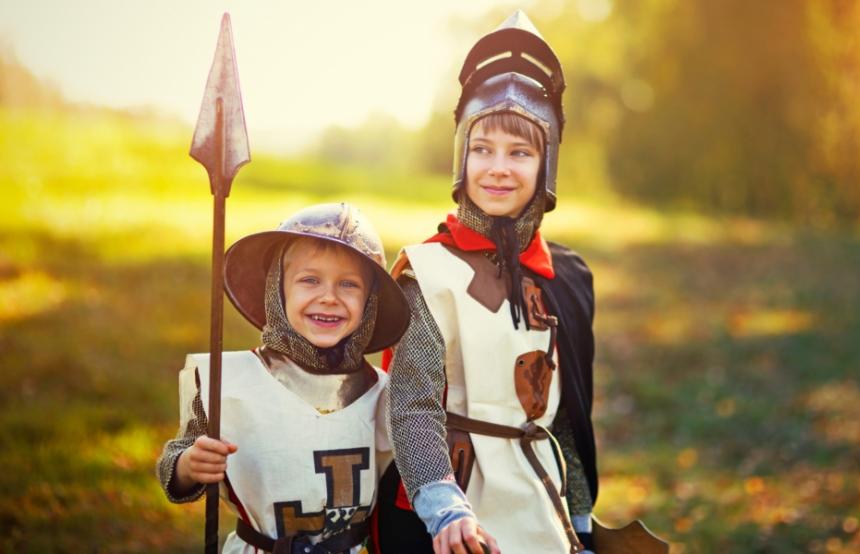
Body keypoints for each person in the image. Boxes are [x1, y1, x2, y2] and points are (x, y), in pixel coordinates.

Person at [374, 11, 598, 554]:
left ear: (546, 165)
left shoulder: (564, 275)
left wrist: (581, 517)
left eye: (520, 152)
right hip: (453, 508)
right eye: (483, 149)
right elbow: (412, 406)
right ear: (461, 157)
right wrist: (443, 507)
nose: (499, 167)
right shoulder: (429, 273)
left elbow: (563, 414)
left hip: (540, 498)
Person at [156, 203, 410, 554]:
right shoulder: (230, 382)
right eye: (309, 280)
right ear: (278, 288)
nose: (329, 297)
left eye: (348, 284)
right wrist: (189, 465)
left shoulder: (385, 395)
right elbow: (177, 462)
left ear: (370, 302)